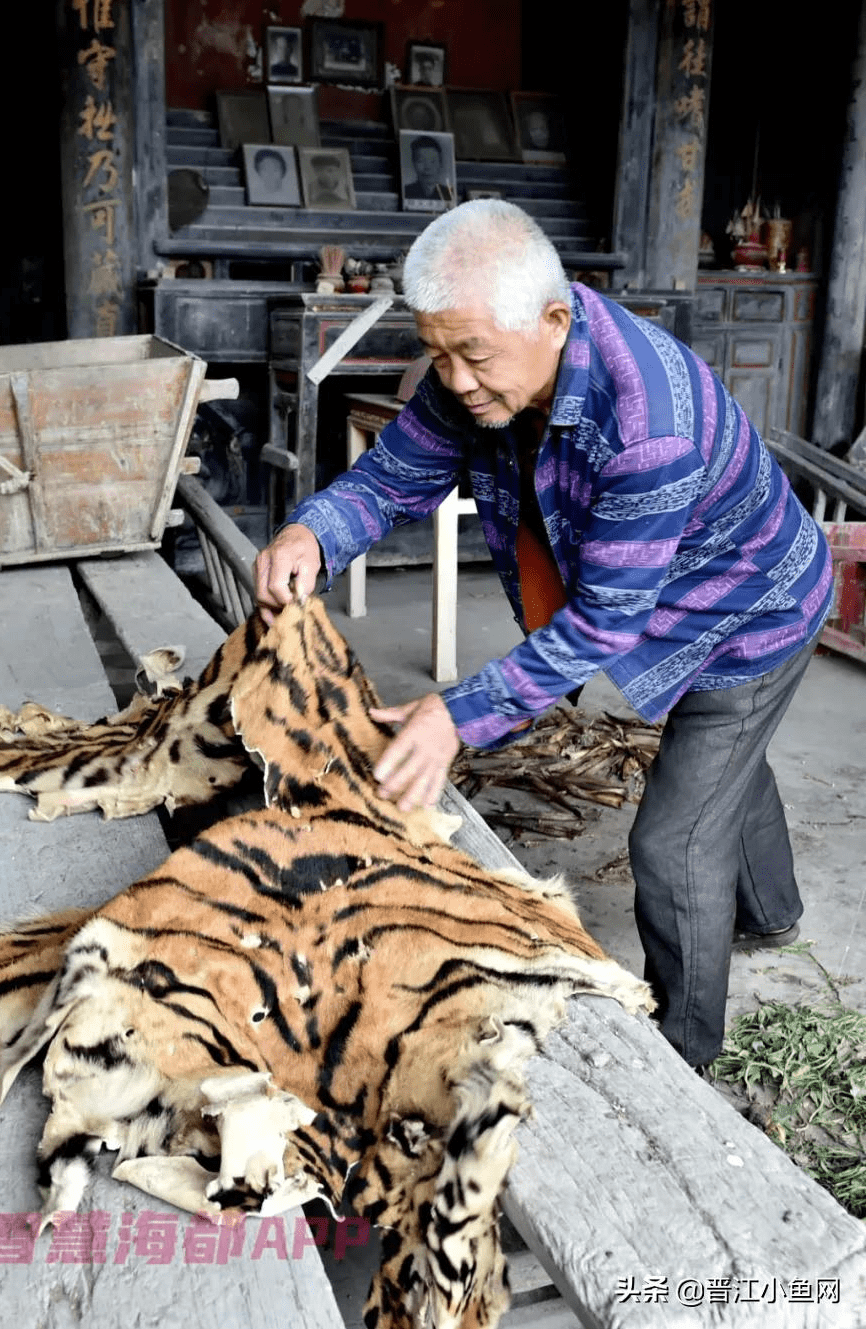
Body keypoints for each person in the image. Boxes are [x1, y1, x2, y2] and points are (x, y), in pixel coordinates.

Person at [253, 200, 834, 1070]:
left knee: (673, 840)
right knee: (719, 766)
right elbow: (387, 480)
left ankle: (683, 1060)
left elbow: (604, 621)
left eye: (472, 357)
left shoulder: (648, 424)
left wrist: (454, 716)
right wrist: (314, 532)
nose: (453, 381)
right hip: (674, 591)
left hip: (756, 607)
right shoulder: (477, 363)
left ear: (555, 320)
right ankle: (774, 911)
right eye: (437, 354)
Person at [403, 135, 452, 202]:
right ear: (413, 163)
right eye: (421, 161)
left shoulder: (448, 194)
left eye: (432, 161)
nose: (427, 167)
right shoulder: (405, 192)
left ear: (440, 163)